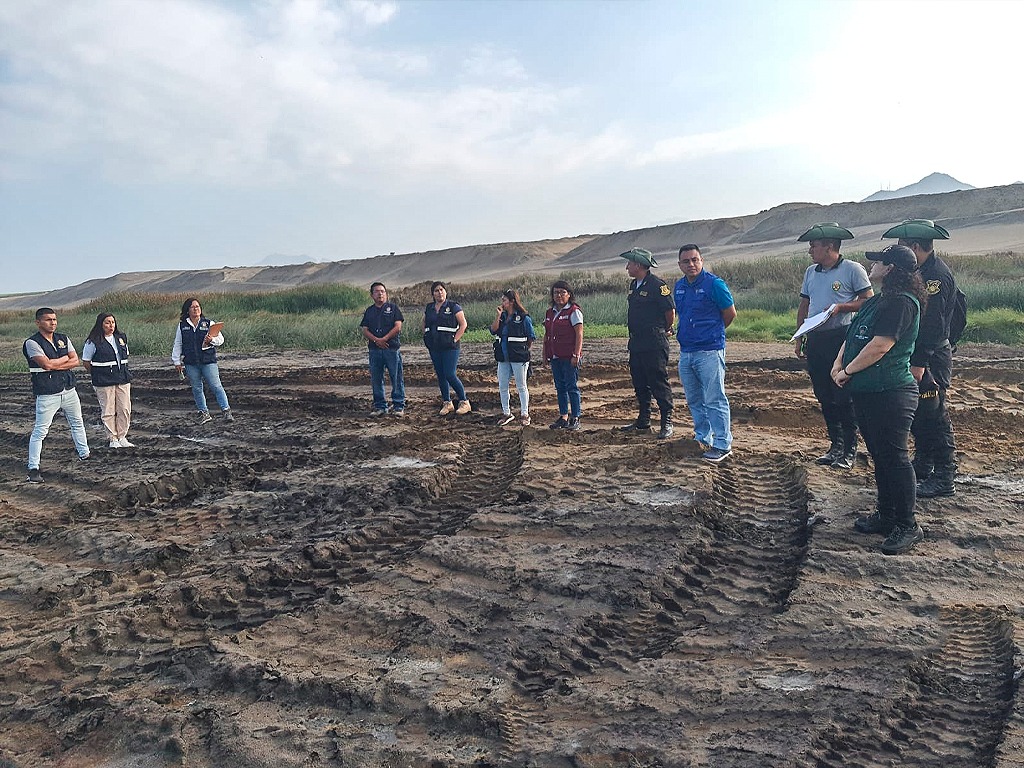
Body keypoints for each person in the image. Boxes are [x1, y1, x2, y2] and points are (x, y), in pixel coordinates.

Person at [831, 244, 927, 555]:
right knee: (879, 455)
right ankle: (886, 516)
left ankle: (908, 524)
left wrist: (848, 370)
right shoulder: (878, 301)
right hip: (867, 390)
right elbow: (854, 336)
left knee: (895, 458)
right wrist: (838, 365)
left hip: (892, 391)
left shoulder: (902, 303)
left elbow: (880, 345)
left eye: (878, 262)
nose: (871, 266)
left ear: (891, 269)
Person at [882, 219, 958, 498]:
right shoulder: (923, 270)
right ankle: (924, 465)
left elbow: (933, 326)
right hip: (921, 353)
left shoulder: (936, 277)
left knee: (935, 414)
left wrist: (920, 363)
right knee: (919, 415)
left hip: (930, 355)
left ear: (914, 246)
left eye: (903, 245)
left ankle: (945, 476)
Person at [795, 223, 873, 469]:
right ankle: (835, 445)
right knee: (823, 394)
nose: (810, 251)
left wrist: (841, 308)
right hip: (816, 339)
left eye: (814, 246)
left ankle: (849, 449)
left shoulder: (852, 269)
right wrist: (799, 335)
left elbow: (868, 301)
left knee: (842, 394)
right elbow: (805, 305)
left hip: (841, 338)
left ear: (829, 246)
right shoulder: (811, 272)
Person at [673, 244, 737, 464]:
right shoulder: (679, 286)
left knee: (714, 397)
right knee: (694, 399)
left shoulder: (714, 284)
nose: (691, 264)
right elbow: (682, 314)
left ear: (701, 260)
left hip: (709, 350)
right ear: (680, 264)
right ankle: (702, 436)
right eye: (686, 261)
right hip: (687, 351)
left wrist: (712, 333)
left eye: (695, 260)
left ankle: (722, 443)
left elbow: (729, 314)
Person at [23, 307, 90, 482]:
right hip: (47, 394)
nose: (52, 322)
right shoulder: (32, 343)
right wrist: (63, 361)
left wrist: (56, 362)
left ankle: (85, 454)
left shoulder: (63, 338)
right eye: (48, 320)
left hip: (68, 389)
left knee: (77, 423)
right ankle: (33, 469)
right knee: (40, 431)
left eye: (54, 319)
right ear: (38, 322)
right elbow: (46, 365)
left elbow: (75, 360)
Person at [620, 248, 675, 439]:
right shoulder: (634, 284)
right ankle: (643, 419)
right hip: (637, 342)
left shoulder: (657, 285)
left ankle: (666, 420)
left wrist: (665, 328)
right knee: (640, 381)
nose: (627, 267)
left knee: (658, 380)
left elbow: (670, 312)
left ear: (639, 265)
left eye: (630, 264)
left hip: (654, 341)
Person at [171, 297, 233, 424]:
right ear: (187, 310)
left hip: (208, 361)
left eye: (198, 306)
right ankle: (203, 412)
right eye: (193, 307)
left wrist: (212, 340)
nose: (196, 309)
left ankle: (226, 410)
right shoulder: (182, 326)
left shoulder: (208, 323)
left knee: (216, 386)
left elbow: (221, 340)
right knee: (197, 388)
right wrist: (176, 361)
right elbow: (178, 343)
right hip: (191, 362)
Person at [82, 312, 134, 448]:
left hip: (122, 378)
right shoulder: (92, 341)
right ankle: (113, 438)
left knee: (124, 408)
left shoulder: (121, 338)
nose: (111, 325)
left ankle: (122, 436)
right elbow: (86, 362)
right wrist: (98, 373)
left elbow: (125, 356)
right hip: (104, 380)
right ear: (101, 324)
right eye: (107, 322)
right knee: (108, 410)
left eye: (112, 322)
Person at [423, 281, 471, 416]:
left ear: (446, 291)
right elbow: (424, 321)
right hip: (434, 346)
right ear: (433, 294)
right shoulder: (430, 308)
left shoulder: (453, 306)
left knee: (450, 374)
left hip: (450, 347)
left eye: (441, 290)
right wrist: (426, 335)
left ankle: (464, 401)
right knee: (441, 375)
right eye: (436, 290)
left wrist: (455, 339)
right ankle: (447, 402)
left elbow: (463, 324)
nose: (439, 293)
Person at [490, 288, 536, 426]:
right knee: (503, 386)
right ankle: (506, 413)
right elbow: (493, 330)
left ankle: (524, 414)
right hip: (503, 357)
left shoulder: (523, 317)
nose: (502, 303)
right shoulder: (503, 317)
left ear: (512, 302)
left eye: (504, 300)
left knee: (521, 386)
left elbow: (530, 337)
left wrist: (522, 351)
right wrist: (498, 316)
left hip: (518, 357)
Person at [360, 282, 406, 417]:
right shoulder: (369, 311)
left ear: (386, 294)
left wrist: (384, 338)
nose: (380, 294)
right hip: (374, 350)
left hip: (391, 349)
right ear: (372, 295)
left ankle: (398, 406)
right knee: (376, 378)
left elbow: (398, 326)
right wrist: (376, 340)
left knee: (396, 377)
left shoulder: (393, 308)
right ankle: (380, 406)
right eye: (377, 291)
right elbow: (365, 329)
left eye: (382, 291)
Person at [543, 280, 584, 430]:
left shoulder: (573, 311)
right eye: (556, 292)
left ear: (569, 294)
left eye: (562, 292)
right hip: (555, 356)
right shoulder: (550, 312)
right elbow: (547, 335)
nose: (559, 295)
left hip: (569, 356)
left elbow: (579, 334)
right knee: (560, 387)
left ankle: (576, 417)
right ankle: (563, 417)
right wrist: (545, 354)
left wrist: (576, 354)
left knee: (571, 386)